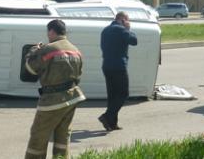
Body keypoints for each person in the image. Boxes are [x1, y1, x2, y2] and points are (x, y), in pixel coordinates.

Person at [24, 19, 85, 159]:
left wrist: (32, 51)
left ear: (51, 31)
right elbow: (79, 75)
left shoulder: (48, 49)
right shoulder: (75, 50)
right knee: (62, 137)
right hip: (73, 97)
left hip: (52, 100)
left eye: (48, 32)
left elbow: (31, 69)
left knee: (38, 136)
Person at [99, 11, 138, 131]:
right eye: (127, 20)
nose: (128, 22)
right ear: (122, 19)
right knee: (123, 94)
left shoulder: (105, 30)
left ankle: (112, 123)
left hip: (107, 66)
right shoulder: (121, 30)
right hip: (118, 66)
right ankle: (106, 116)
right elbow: (134, 41)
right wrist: (128, 28)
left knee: (113, 95)